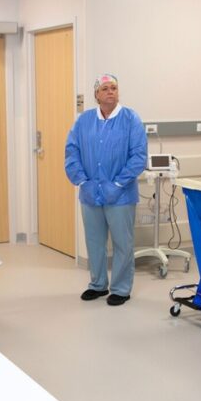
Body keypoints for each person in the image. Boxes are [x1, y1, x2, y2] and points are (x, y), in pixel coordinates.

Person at [64, 74, 147, 306]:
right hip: (90, 193)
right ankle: (98, 284)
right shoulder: (84, 121)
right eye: (105, 88)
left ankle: (120, 288)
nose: (110, 92)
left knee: (122, 243)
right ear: (96, 95)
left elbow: (138, 156)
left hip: (120, 195)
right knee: (94, 241)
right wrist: (83, 182)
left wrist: (118, 184)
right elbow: (72, 152)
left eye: (114, 88)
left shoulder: (131, 119)